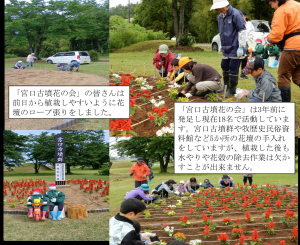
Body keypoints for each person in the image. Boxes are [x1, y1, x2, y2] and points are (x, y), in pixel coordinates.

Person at [265, 0, 300, 102]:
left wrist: (269, 40)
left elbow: (276, 35)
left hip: (293, 47)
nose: (271, 7)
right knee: (298, 76)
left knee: (283, 76)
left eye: (270, 3)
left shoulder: (282, 10)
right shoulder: (297, 5)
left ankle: (285, 107)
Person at [210, 0, 247, 97]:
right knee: (224, 65)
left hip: (236, 46)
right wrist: (222, 45)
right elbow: (222, 32)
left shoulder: (235, 14)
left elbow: (242, 31)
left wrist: (241, 46)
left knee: (233, 68)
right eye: (217, 8)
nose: (218, 9)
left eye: (220, 7)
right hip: (226, 47)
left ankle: (232, 90)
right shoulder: (220, 16)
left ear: (226, 5)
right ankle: (226, 85)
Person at [239, 10, 255, 80]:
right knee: (237, 59)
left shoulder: (249, 24)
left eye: (243, 16)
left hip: (246, 43)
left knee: (245, 59)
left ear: (245, 16)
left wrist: (250, 36)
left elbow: (252, 32)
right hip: (238, 43)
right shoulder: (237, 23)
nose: (241, 17)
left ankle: (243, 74)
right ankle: (234, 73)